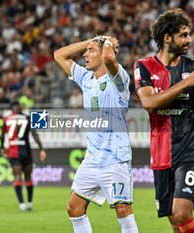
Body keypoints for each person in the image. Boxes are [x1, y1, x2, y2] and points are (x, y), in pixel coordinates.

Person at [133, 9, 194, 233]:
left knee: (182, 213)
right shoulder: (143, 66)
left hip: (190, 151)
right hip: (162, 153)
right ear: (167, 38)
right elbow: (149, 103)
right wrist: (186, 83)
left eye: (189, 34)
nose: (189, 39)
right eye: (183, 35)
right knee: (175, 220)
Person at [54, 35, 138, 233]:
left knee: (123, 209)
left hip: (116, 159)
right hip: (92, 160)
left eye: (91, 51)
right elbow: (59, 55)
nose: (85, 54)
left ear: (103, 54)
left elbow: (110, 59)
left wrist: (107, 43)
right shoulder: (86, 78)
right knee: (74, 208)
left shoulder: (120, 80)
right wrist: (91, 41)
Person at [0, 101, 47, 211]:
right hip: (26, 151)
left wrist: (2, 148)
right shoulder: (27, 118)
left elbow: (2, 136)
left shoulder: (7, 119)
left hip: (13, 152)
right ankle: (29, 203)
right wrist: (42, 149)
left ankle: (22, 204)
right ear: (20, 108)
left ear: (11, 109)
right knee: (28, 177)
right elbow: (34, 134)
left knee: (17, 177)